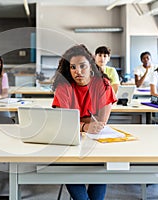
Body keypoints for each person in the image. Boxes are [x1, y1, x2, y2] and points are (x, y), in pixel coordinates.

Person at [52, 44, 117, 200]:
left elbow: (100, 124)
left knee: (102, 166)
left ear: (91, 65)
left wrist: (78, 121)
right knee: (67, 165)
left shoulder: (103, 85)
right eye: (73, 67)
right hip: (70, 143)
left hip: (96, 143)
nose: (78, 71)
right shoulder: (63, 87)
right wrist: (86, 124)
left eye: (82, 66)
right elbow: (64, 122)